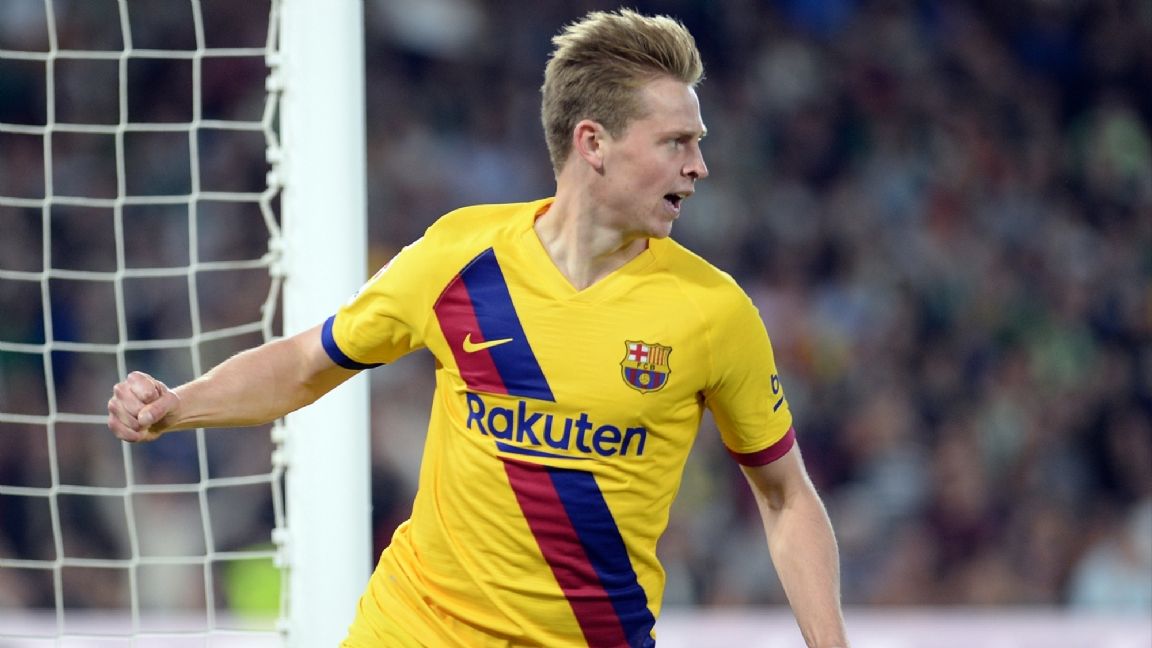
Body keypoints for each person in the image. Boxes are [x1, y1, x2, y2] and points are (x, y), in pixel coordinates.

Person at [107, 9, 849, 647]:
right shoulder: (460, 255)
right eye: (676, 142)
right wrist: (179, 405)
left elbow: (785, 497)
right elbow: (307, 361)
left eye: (698, 141)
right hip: (413, 628)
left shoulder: (713, 311)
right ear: (593, 142)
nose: (700, 166)